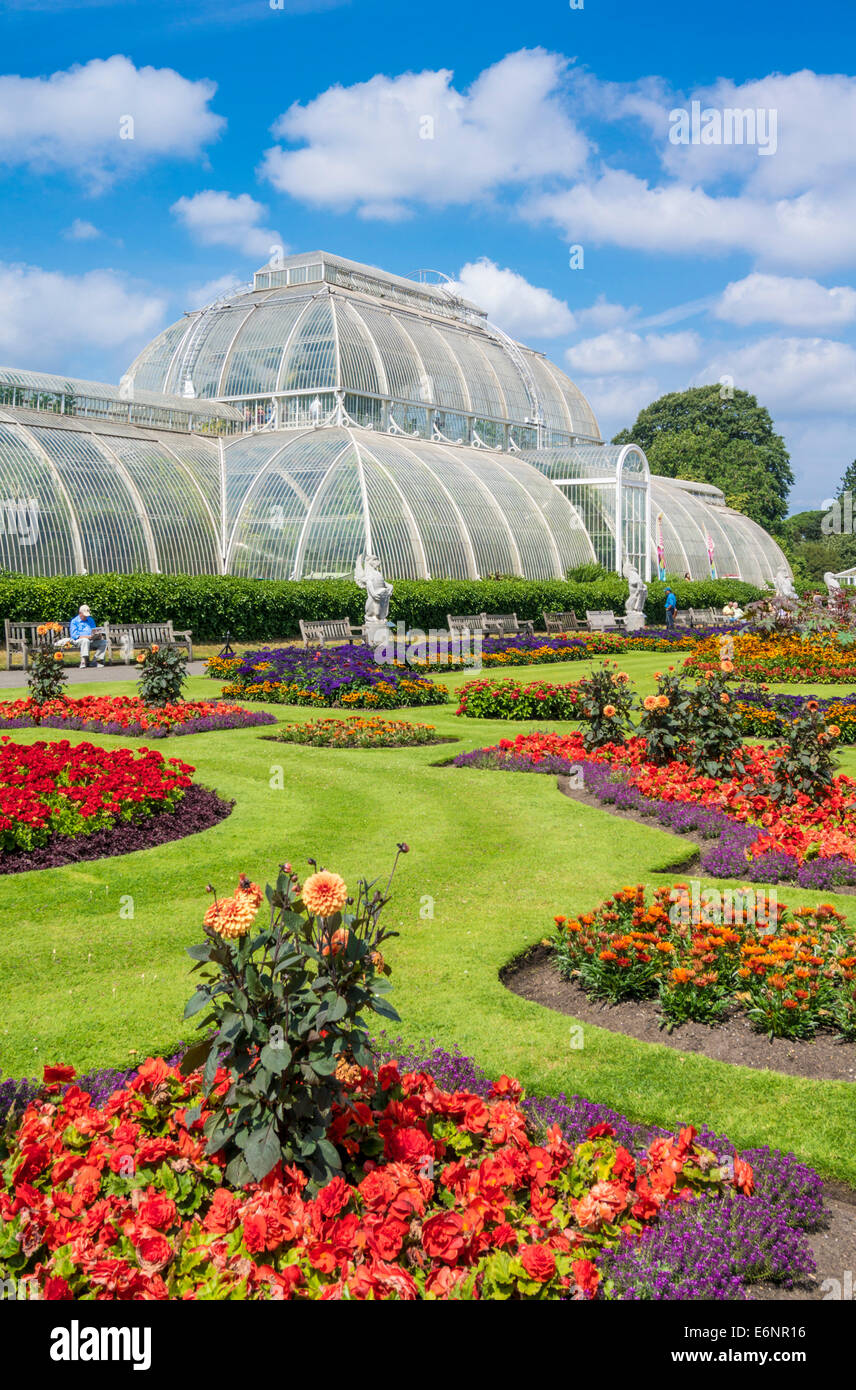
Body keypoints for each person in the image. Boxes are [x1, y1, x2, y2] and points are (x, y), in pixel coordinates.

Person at [69, 604, 107, 668]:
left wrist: (98, 635)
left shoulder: (90, 620)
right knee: (85, 640)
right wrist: (87, 637)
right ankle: (83, 661)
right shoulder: (74, 621)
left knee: (104, 642)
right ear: (80, 613)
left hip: (91, 640)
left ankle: (94, 661)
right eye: (84, 615)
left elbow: (94, 631)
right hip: (79, 641)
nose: (86, 617)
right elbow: (74, 636)